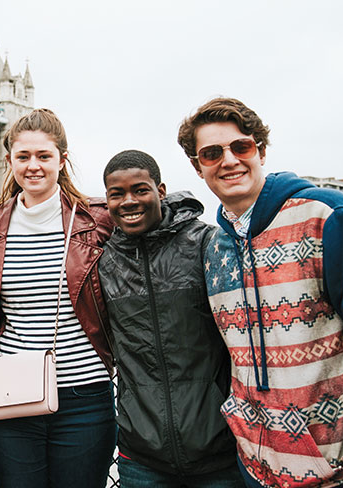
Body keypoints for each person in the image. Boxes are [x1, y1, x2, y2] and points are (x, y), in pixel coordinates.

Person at [177, 97, 343, 488]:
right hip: (259, 474)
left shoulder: (327, 217)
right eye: (211, 153)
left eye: (241, 146)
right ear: (197, 166)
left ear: (259, 148)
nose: (229, 160)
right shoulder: (213, 250)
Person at [0, 108, 116, 488]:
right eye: (23, 157)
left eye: (44, 156)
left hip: (85, 394)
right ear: (9, 161)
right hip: (9, 392)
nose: (33, 166)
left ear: (62, 159)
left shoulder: (97, 220)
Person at [98, 149, 241, 487]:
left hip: (219, 448)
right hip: (140, 454)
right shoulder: (103, 263)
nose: (129, 201)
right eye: (116, 194)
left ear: (160, 191)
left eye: (140, 190)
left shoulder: (208, 244)